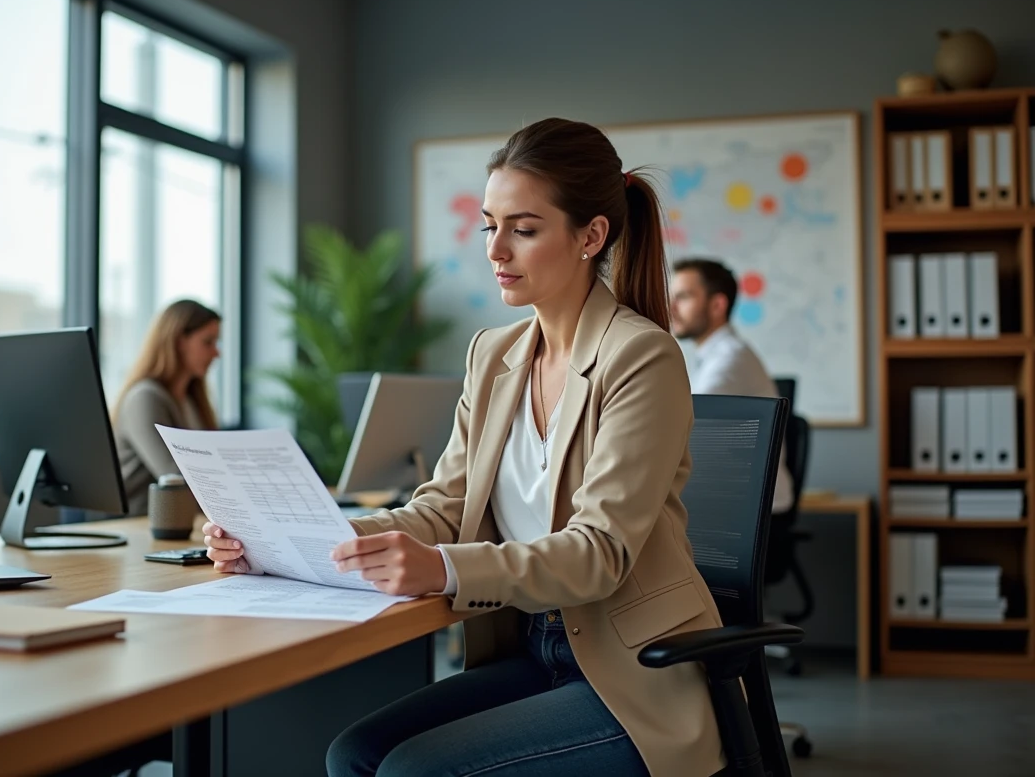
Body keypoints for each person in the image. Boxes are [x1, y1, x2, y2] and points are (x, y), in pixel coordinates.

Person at [205, 118, 727, 777]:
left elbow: (600, 553)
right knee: (354, 755)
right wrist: (290, 536)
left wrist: (443, 569)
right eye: (490, 225)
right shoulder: (495, 353)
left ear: (591, 236)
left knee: (412, 771)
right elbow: (443, 509)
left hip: (630, 672)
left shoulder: (641, 357)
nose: (496, 250)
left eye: (524, 229)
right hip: (534, 649)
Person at [669, 258, 794, 512]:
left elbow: (684, 422)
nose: (671, 308)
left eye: (682, 297)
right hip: (735, 501)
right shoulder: (711, 357)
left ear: (717, 305)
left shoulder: (730, 359)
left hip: (755, 515)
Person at [111, 299, 221, 516]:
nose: (216, 353)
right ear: (180, 341)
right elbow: (175, 479)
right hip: (140, 526)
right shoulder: (145, 398)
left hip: (181, 525)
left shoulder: (192, 400)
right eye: (208, 342)